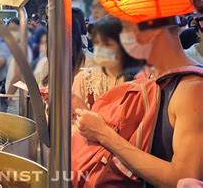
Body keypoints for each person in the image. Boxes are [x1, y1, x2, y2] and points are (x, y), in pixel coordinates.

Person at [75, 19, 203, 187]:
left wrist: (103, 134)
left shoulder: (193, 90)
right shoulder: (152, 78)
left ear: (152, 30)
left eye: (128, 28)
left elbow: (184, 179)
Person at [72, 17, 144, 109]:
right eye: (97, 43)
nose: (100, 48)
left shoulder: (140, 80)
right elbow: (73, 119)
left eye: (107, 44)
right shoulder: (85, 79)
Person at [4, 18, 33, 114]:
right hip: (16, 98)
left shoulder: (21, 48)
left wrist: (8, 95)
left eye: (14, 30)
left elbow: (18, 75)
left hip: (16, 98)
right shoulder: (19, 47)